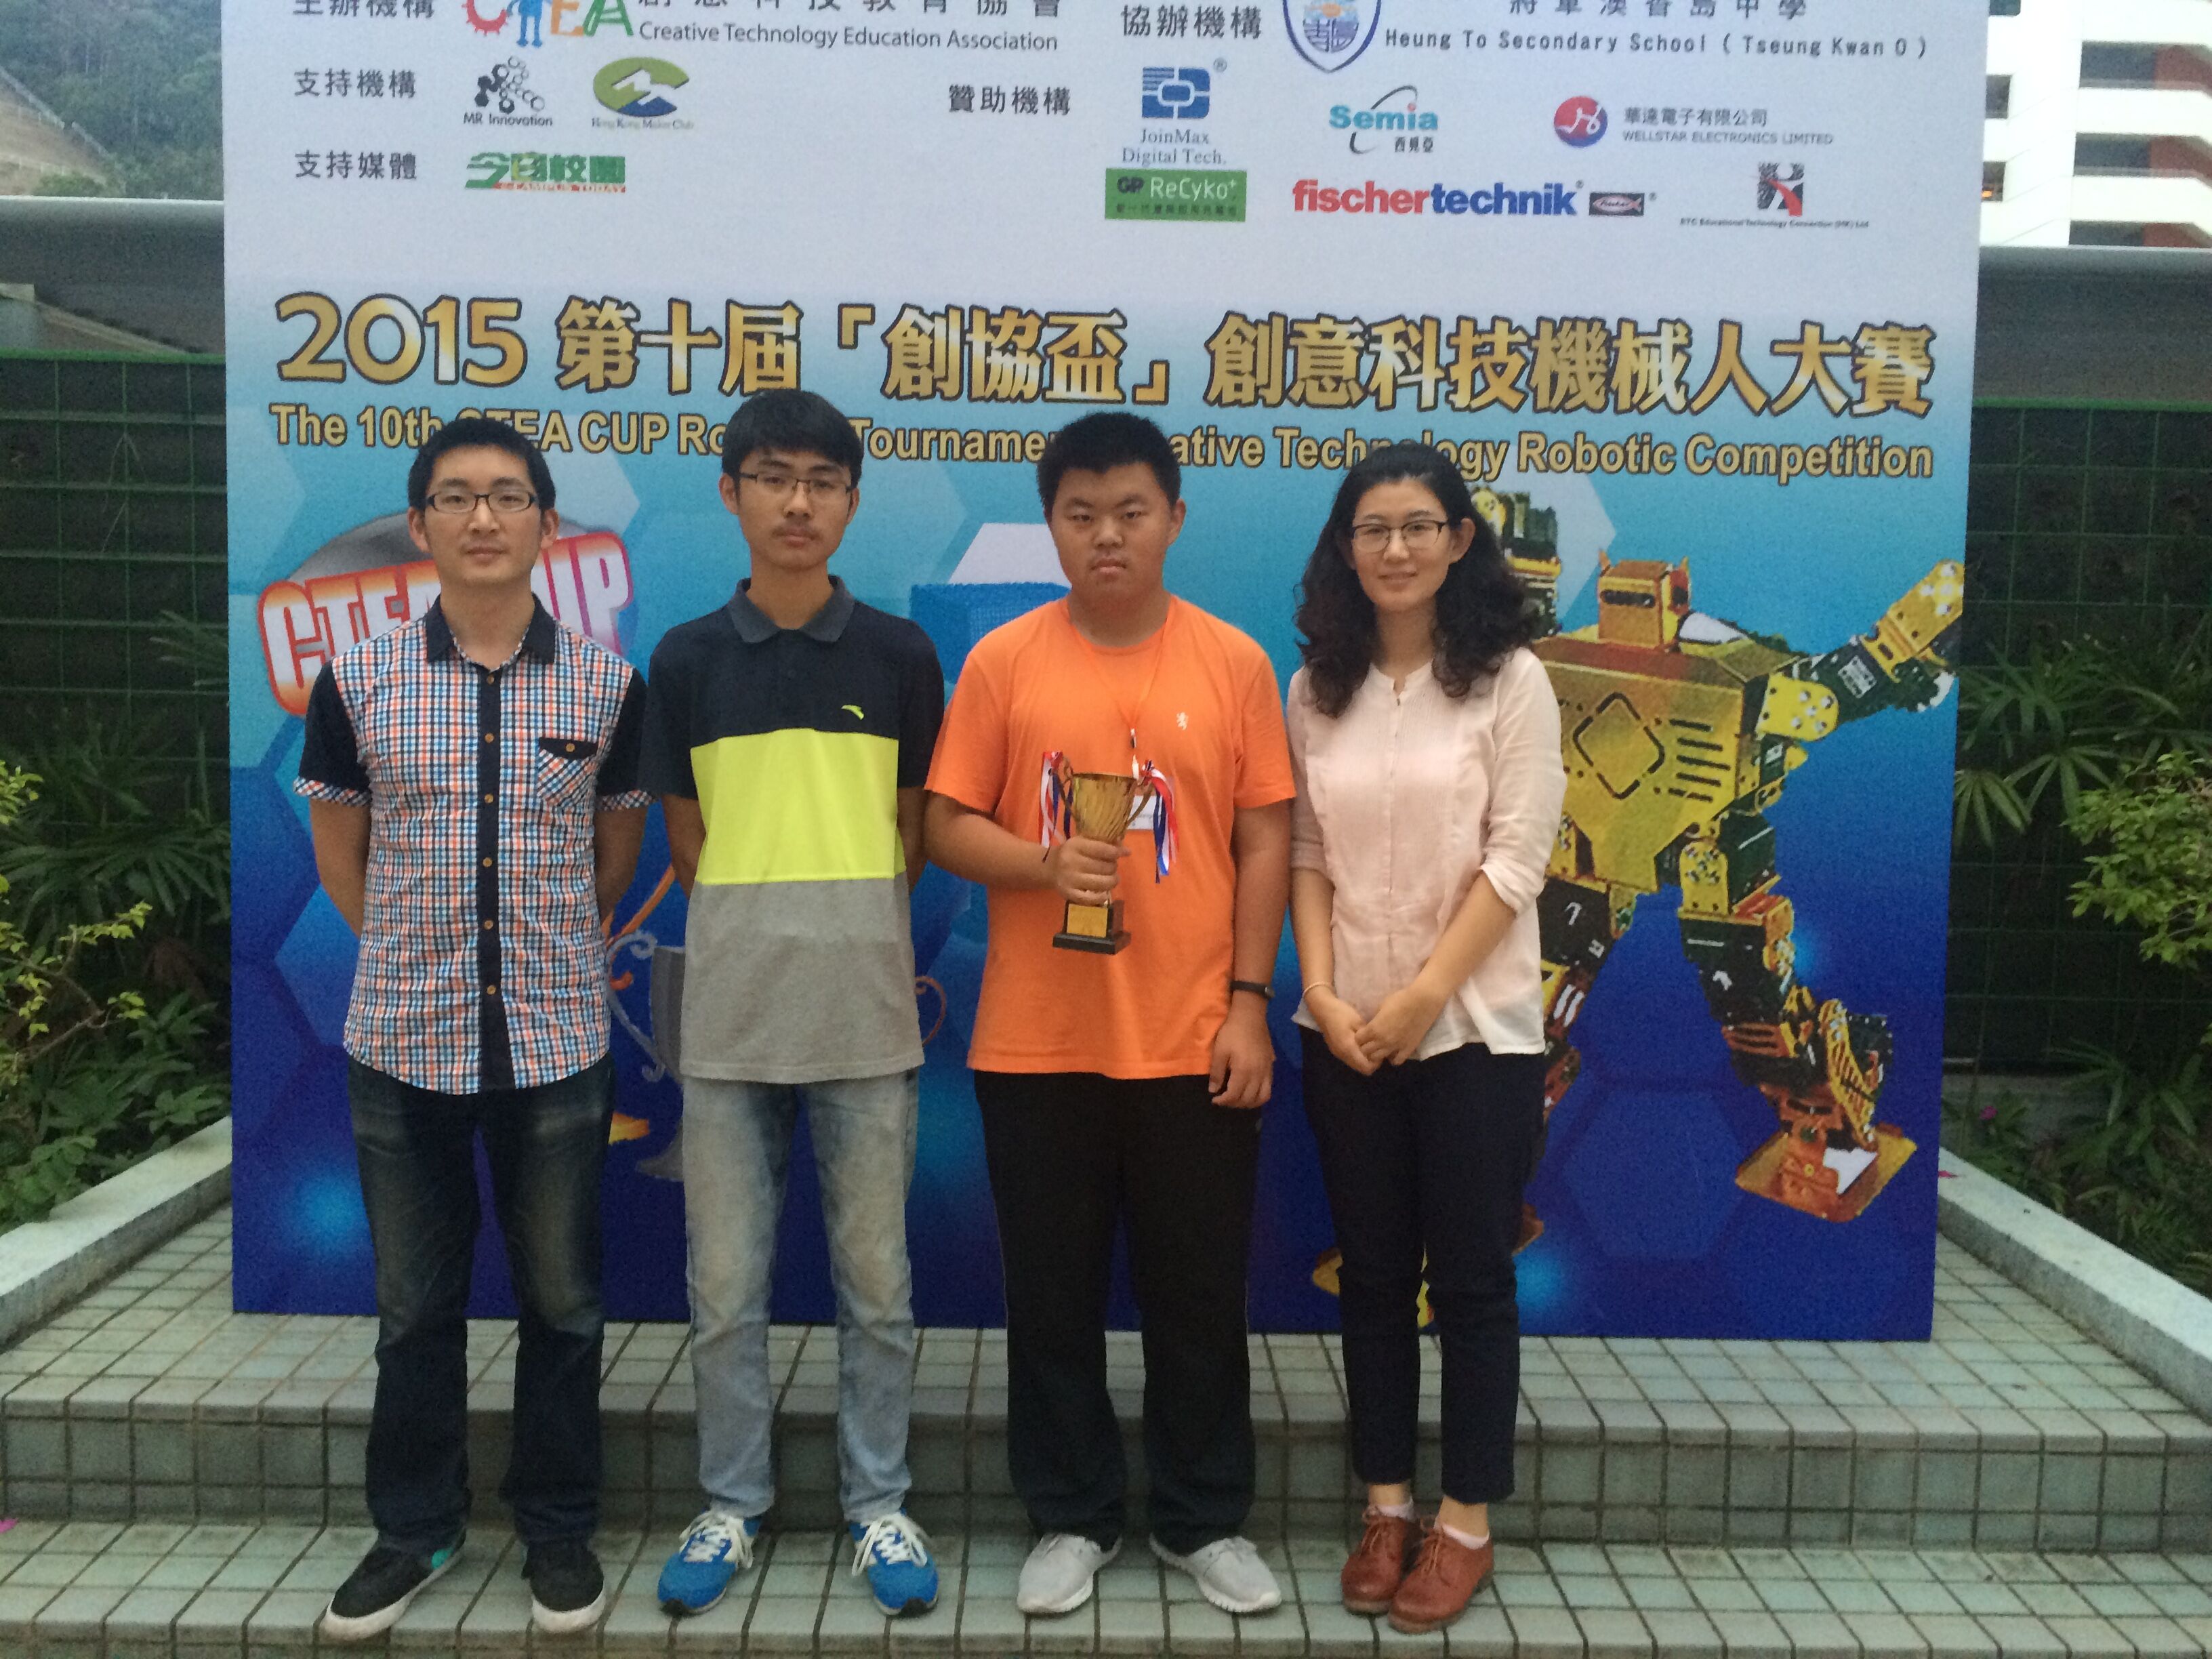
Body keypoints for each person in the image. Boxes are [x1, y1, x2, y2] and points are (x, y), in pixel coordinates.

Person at [922, 412, 1294, 1618]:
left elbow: (1265, 837)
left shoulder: (1233, 663)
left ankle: (1201, 1519)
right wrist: (1041, 865)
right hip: (1037, 1045)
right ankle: (1071, 1516)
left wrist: (1249, 1003)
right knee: (1052, 1296)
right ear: (1052, 527)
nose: (1106, 537)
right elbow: (944, 823)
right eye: (1080, 515)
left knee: (1200, 1297)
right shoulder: (1006, 663)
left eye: (1131, 512)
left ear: (1174, 518)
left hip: (1196, 1040)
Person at [296, 417, 649, 1641]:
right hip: (405, 1043)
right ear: (422, 523)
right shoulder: (359, 679)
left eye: (508, 495)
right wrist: (416, 952)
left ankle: (556, 1528)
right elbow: (341, 858)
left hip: (556, 1043)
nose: (484, 517)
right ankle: (414, 1528)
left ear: (547, 521)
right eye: (456, 497)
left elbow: (614, 854)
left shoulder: (605, 685)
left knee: (564, 1302)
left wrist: (540, 950)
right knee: (414, 1309)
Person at [639, 389, 945, 1620]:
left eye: (823, 481)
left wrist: (838, 932)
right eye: (773, 477)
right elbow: (687, 843)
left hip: (865, 1019)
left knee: (878, 1287)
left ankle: (880, 1507)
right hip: (728, 1023)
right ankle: (732, 1504)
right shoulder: (685, 660)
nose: (798, 502)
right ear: (732, 493)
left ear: (852, 502)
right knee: (726, 1289)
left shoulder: (902, 657)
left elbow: (913, 838)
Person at [1284, 445, 1565, 1635]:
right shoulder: (1317, 688)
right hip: (1345, 1034)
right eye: (1372, 528)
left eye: (1417, 526)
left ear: (1458, 541)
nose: (1394, 548)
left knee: (1472, 1282)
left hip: (1476, 1035)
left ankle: (1465, 1523)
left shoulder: (1511, 681)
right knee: (1372, 1274)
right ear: (1345, 548)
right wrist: (1325, 991)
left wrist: (1424, 997)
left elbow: (1518, 858)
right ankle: (1386, 1508)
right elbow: (1306, 855)